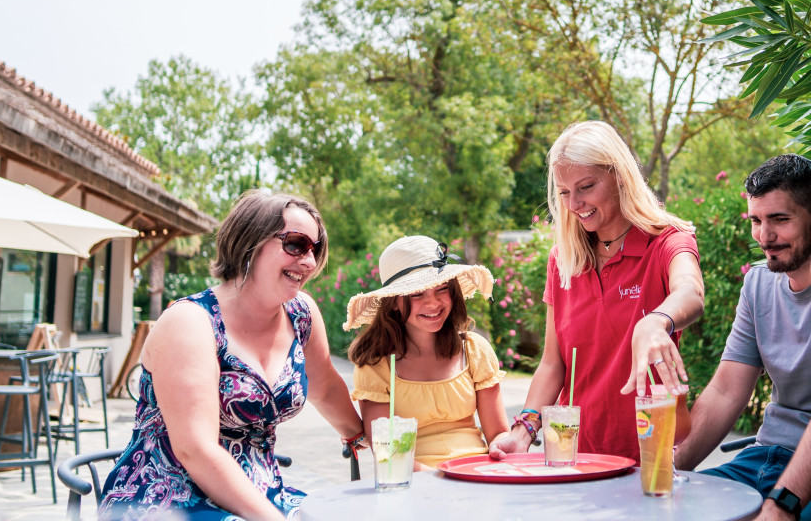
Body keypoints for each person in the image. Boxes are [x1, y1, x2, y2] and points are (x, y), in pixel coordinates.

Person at [99, 189, 363, 521]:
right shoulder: (191, 322)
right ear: (250, 242)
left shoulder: (302, 315)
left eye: (316, 249)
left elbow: (323, 386)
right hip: (166, 498)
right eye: (296, 244)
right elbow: (197, 451)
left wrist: (369, 437)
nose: (308, 261)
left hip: (260, 492)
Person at [672, 154, 811, 521]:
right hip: (764, 455)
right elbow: (725, 392)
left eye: (780, 220)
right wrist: (663, 474)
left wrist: (784, 504)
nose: (764, 236)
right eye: (756, 220)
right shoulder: (757, 284)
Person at [490, 120, 705, 462]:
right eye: (563, 191)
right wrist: (523, 430)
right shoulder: (563, 258)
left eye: (586, 186)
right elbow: (552, 364)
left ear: (619, 175)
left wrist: (657, 321)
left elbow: (691, 292)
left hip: (645, 454)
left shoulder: (667, 241)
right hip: (573, 453)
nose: (574, 203)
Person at [343, 235, 509, 468]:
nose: (433, 303)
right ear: (392, 302)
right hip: (414, 483)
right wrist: (441, 479)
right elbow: (388, 452)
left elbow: (498, 433)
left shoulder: (474, 349)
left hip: (477, 475)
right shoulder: (375, 364)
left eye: (442, 289)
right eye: (417, 294)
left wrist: (503, 446)